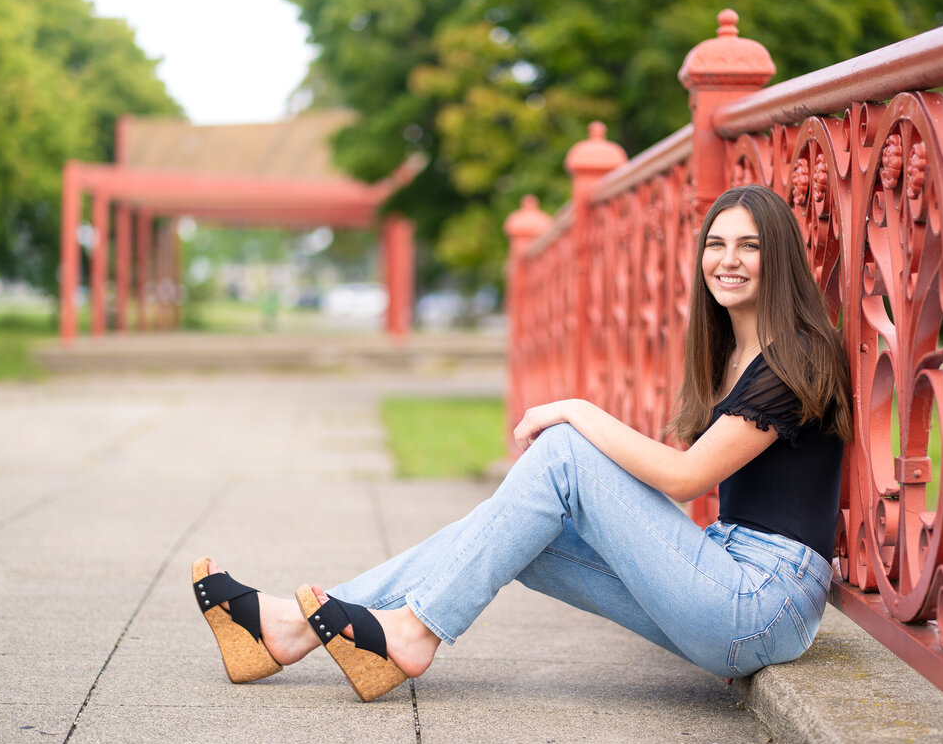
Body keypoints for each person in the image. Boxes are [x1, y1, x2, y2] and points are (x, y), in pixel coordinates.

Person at [192, 185, 853, 702]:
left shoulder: (796, 357)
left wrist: (575, 410)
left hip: (761, 606)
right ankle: (287, 629)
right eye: (717, 244)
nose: (728, 260)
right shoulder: (736, 351)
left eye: (750, 246)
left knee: (562, 452)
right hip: (728, 580)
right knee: (515, 531)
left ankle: (412, 633)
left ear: (780, 258)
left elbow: (685, 479)